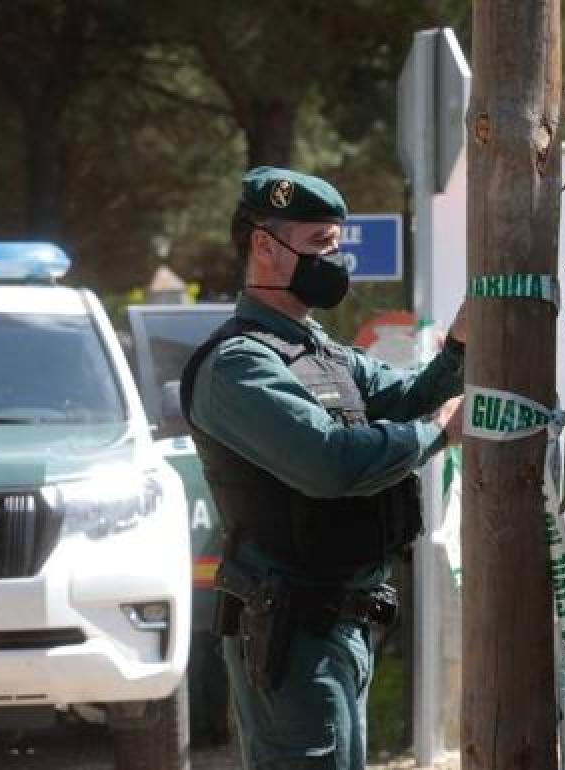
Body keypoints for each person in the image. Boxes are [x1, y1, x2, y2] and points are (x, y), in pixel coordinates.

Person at [179, 166, 465, 770]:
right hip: (292, 633)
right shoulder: (237, 367)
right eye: (318, 247)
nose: (334, 264)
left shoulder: (321, 351)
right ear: (264, 246)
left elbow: (407, 398)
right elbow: (329, 464)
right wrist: (440, 429)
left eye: (336, 247)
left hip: (344, 626)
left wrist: (462, 348)